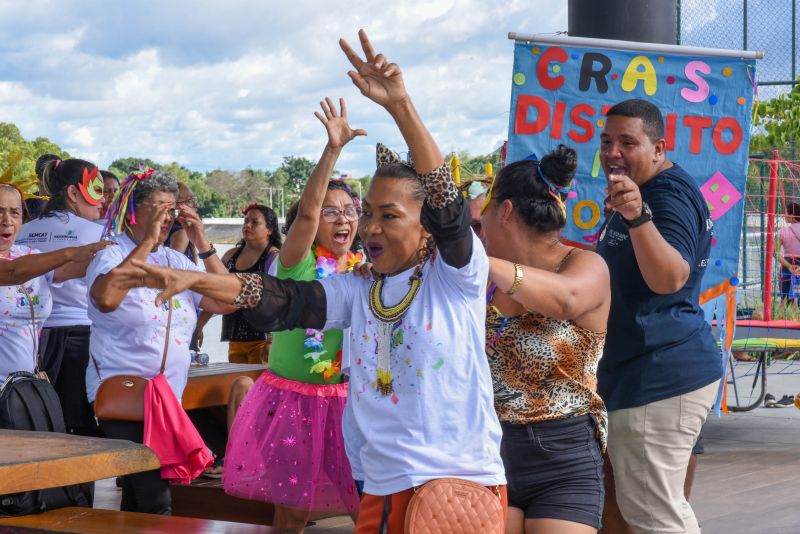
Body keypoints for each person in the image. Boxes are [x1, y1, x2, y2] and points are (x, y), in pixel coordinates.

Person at [117, 30, 507, 534]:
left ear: (425, 224)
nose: (368, 227)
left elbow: (450, 209)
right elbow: (278, 299)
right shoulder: (360, 289)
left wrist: (401, 105)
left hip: (451, 485)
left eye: (388, 216)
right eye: (367, 214)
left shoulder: (456, 277)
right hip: (378, 484)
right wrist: (192, 277)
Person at [595, 99, 721, 534]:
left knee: (656, 518)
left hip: (658, 376)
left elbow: (670, 277)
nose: (613, 152)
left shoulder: (664, 196)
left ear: (658, 148)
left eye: (628, 142)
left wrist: (638, 215)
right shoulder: (645, 191)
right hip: (647, 376)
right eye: (606, 141)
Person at [87, 168, 233, 515]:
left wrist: (203, 244)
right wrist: (147, 242)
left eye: (172, 210)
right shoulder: (110, 254)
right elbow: (106, 298)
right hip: (125, 394)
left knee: (141, 499)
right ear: (135, 211)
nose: (167, 218)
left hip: (167, 399)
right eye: (158, 209)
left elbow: (227, 301)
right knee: (156, 500)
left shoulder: (174, 260)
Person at [480, 145, 610, 534]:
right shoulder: (485, 279)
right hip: (488, 451)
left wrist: (481, 262)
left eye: (483, 211)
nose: (479, 226)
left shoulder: (585, 264)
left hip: (563, 456)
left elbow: (567, 300)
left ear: (503, 211)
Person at [16, 158, 107, 436]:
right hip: (85, 337)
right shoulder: (100, 233)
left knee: (41, 419)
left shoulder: (22, 231)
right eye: (96, 192)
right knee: (85, 422)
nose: (101, 202)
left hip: (32, 341)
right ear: (73, 193)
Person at [0, 182, 109, 385]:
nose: (7, 221)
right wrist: (72, 251)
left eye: (15, 213)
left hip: (23, 386)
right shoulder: (22, 265)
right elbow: (13, 272)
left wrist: (115, 252)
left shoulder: (26, 254)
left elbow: (69, 270)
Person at [199, 203, 283, 365]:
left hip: (263, 341)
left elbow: (279, 303)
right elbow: (215, 293)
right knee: (239, 385)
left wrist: (272, 340)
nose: (247, 226)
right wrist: (199, 326)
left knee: (258, 388)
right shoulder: (231, 256)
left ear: (270, 230)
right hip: (235, 339)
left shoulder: (274, 258)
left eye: (254, 222)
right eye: (245, 221)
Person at [778, 201, 800, 303]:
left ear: (792, 215)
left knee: (785, 299)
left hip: (787, 266)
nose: (784, 215)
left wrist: (789, 266)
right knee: (798, 295)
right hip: (799, 267)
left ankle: (785, 316)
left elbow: (774, 253)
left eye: (786, 212)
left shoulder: (782, 231)